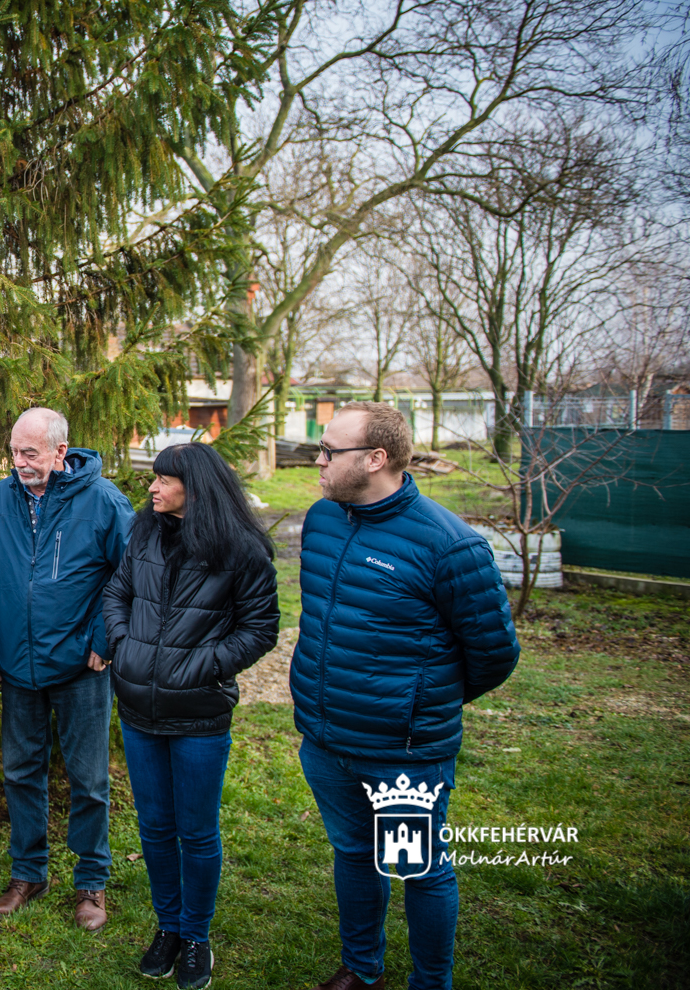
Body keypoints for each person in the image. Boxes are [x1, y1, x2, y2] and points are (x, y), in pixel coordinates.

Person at [292, 402, 520, 990]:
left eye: (329, 451)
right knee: (352, 852)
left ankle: (429, 982)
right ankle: (362, 970)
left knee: (416, 868)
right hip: (325, 738)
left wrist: (419, 705)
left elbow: (494, 655)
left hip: (401, 754)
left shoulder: (450, 547)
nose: (317, 460)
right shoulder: (323, 520)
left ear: (375, 458)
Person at [102, 443, 280, 988]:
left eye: (162, 480)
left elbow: (260, 629)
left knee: (196, 832)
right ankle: (169, 926)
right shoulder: (145, 532)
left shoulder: (241, 549)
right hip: (138, 710)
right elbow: (117, 593)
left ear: (193, 487)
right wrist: (124, 644)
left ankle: (197, 936)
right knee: (155, 828)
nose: (151, 488)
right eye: (153, 479)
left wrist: (201, 667)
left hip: (199, 714)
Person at [0, 407, 134, 931]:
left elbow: (131, 577)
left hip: (80, 667)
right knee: (21, 772)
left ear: (60, 452)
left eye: (31, 453)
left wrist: (104, 637)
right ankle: (29, 872)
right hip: (18, 666)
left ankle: (91, 883)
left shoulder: (103, 501)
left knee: (88, 780)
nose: (19, 462)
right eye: (15, 451)